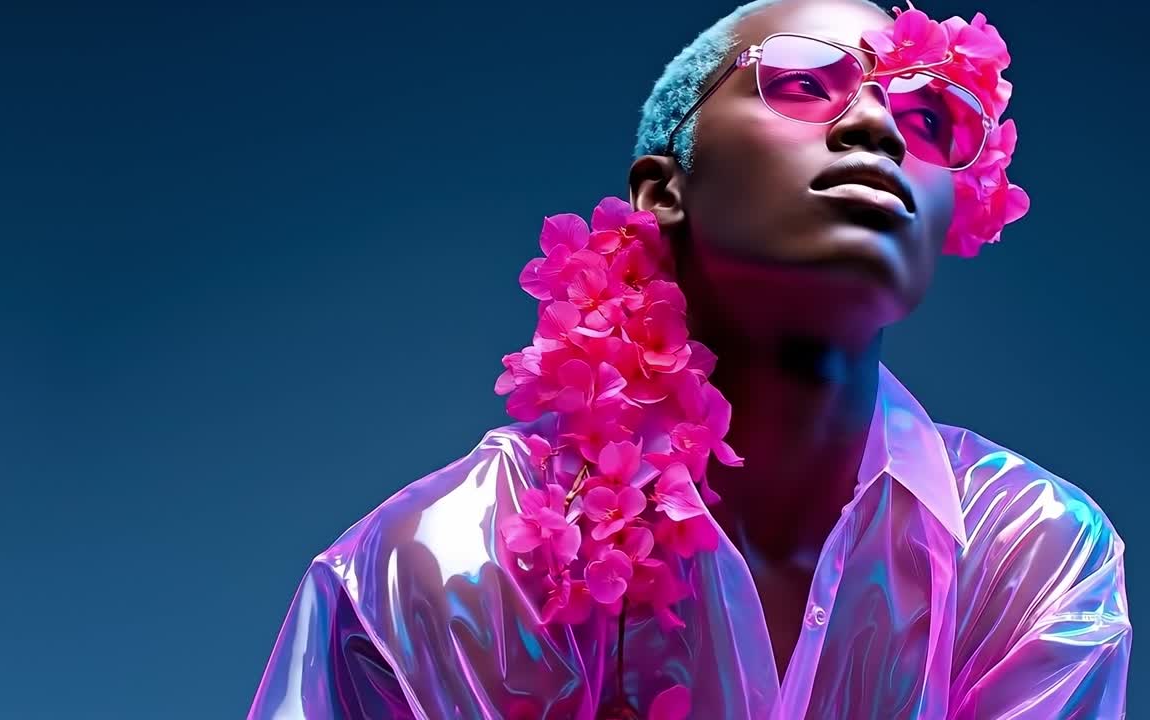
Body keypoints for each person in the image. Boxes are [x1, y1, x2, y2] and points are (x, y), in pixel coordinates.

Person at [246, 0, 1131, 717]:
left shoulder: (1032, 552)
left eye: (929, 116)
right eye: (800, 82)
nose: (877, 126)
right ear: (664, 191)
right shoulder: (449, 563)